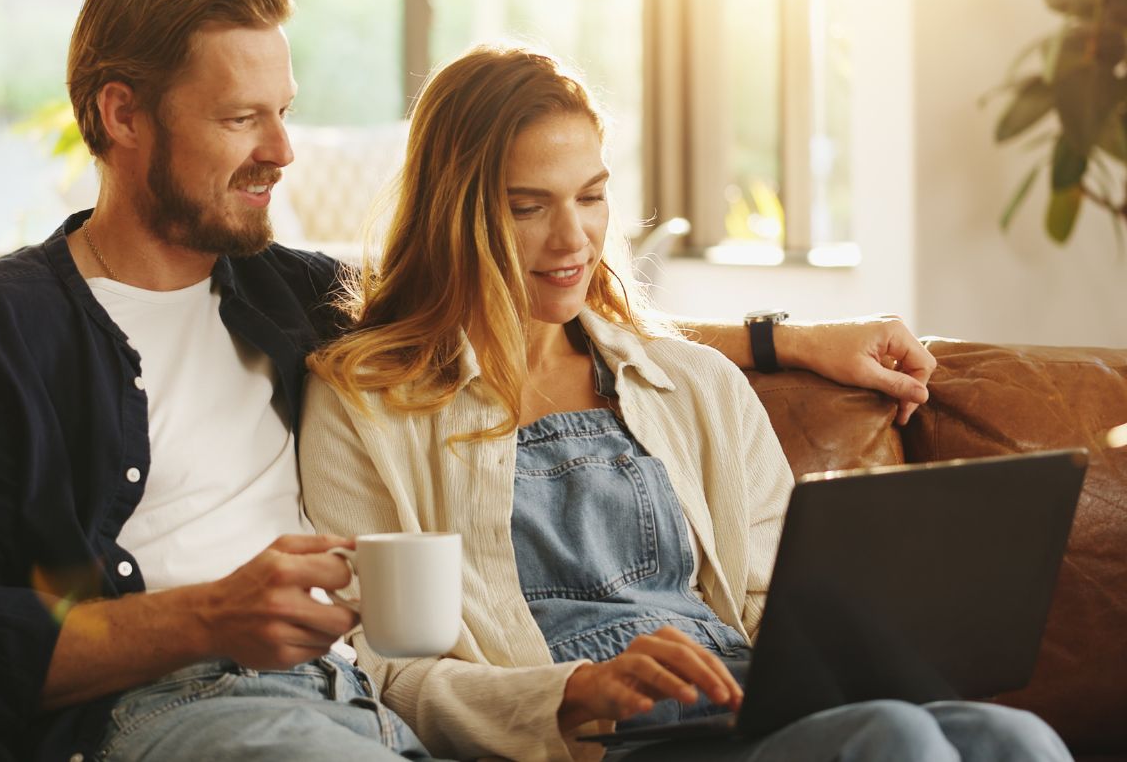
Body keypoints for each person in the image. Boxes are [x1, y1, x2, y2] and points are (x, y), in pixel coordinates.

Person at [0, 0, 938, 762]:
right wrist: (207, 615)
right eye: (244, 119)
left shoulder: (299, 300)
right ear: (121, 114)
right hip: (183, 706)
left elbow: (521, 315)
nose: (285, 152)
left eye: (284, 113)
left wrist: (783, 340)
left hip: (376, 713)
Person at [299, 44, 1071, 762]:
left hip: (741, 712)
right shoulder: (367, 406)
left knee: (1014, 735)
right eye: (528, 206)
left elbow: (770, 608)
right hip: (598, 741)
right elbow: (386, 672)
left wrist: (867, 644)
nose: (574, 238)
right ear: (454, 213)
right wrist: (569, 694)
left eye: (592, 197)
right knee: (893, 736)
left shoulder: (697, 384)